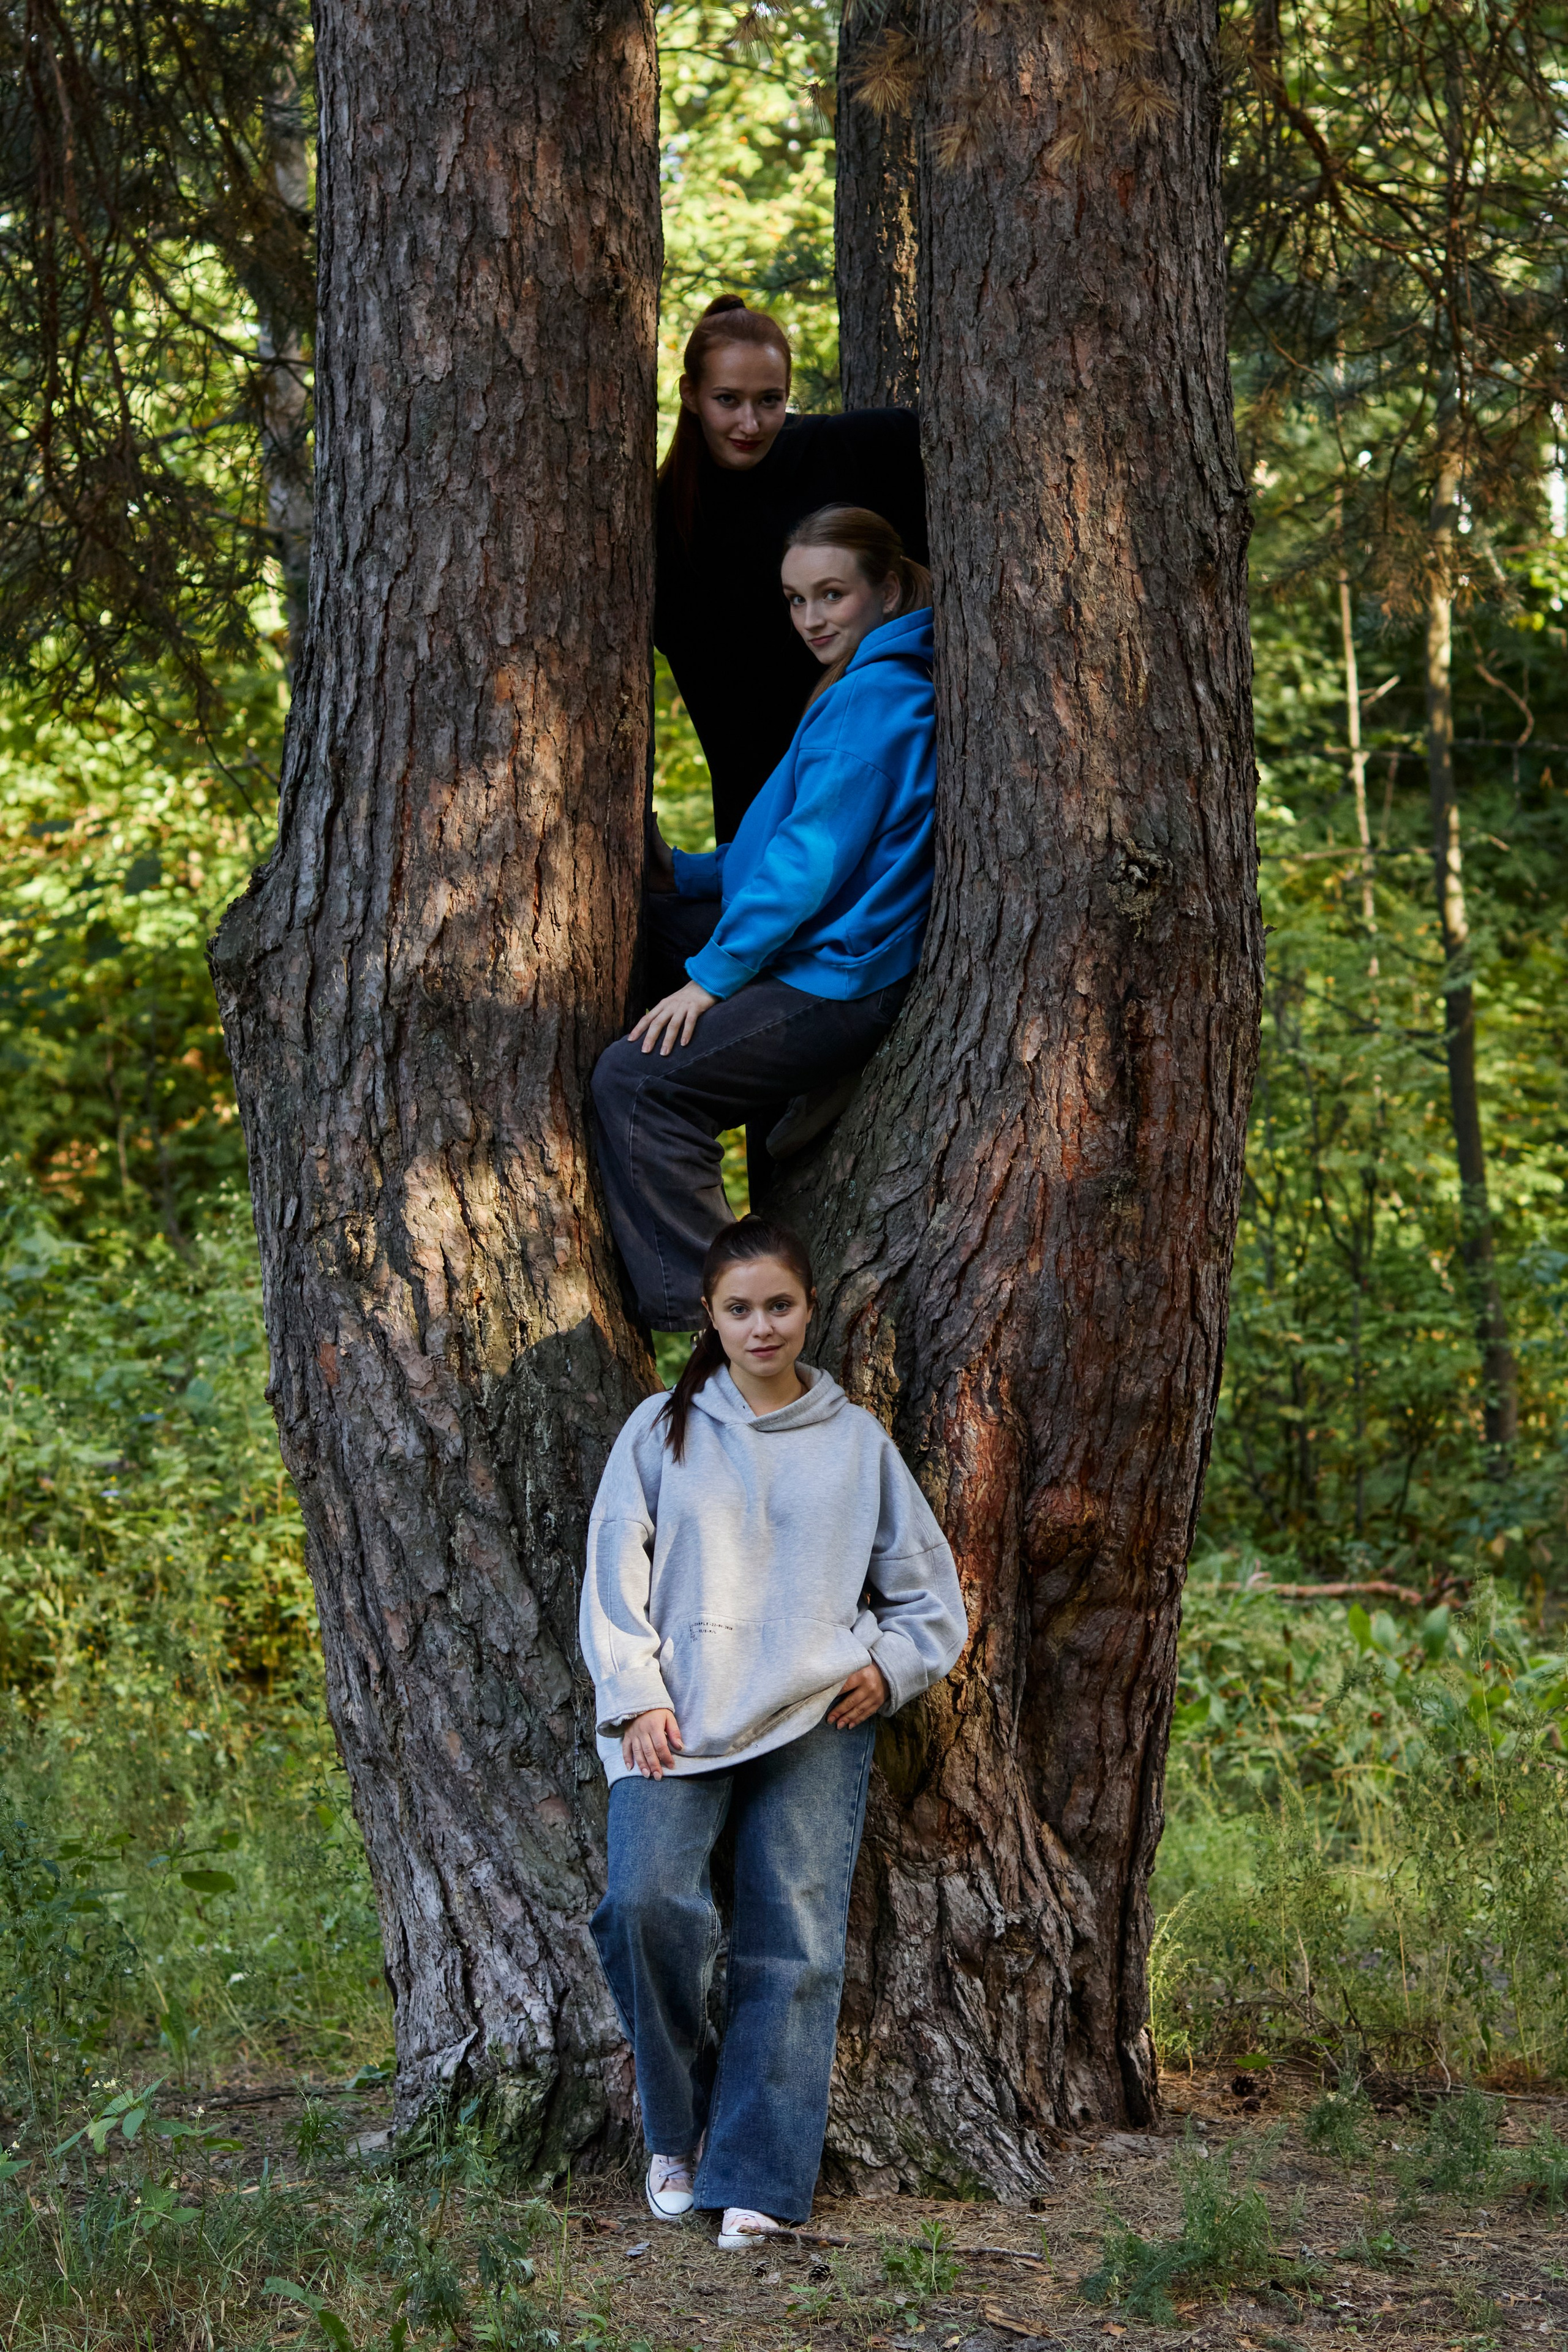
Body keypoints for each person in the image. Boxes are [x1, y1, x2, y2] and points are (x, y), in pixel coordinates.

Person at [579, 1213, 967, 2246]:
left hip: (812, 1714)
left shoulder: (853, 1441)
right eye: (740, 1309)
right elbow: (614, 1574)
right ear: (709, 1317)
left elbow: (929, 1593)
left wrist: (890, 1670)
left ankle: (755, 2173)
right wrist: (635, 1693)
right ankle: (679, 2130)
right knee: (647, 1907)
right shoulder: (660, 1428)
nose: (763, 1327)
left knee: (791, 1945)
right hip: (677, 1718)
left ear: (808, 1310)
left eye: (780, 1306)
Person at [594, 505, 935, 1332]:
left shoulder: (873, 700)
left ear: (887, 589)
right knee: (636, 928)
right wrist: (688, 875)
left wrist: (708, 984)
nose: (812, 620)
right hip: (821, 946)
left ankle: (711, 1326)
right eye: (795, 600)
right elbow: (785, 839)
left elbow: (808, 864)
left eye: (832, 595)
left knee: (636, 1084)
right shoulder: (871, 678)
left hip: (837, 976)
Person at [656, 295, 926, 844]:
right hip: (756, 792)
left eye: (770, 400)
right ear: (690, 395)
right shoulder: (666, 517)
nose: (750, 424)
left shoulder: (851, 449)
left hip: (873, 759)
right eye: (727, 400)